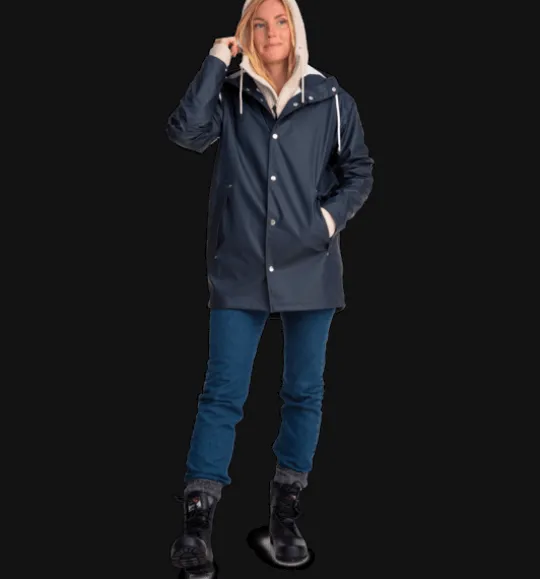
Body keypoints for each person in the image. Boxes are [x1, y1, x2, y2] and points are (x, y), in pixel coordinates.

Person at [166, 0, 374, 574]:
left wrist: (325, 222)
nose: (271, 31)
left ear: (296, 27)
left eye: (280, 20)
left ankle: (286, 512)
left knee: (304, 392)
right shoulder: (231, 94)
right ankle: (198, 523)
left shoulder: (332, 99)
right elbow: (186, 132)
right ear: (247, 33)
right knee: (222, 393)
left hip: (310, 266)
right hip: (239, 265)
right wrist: (215, 60)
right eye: (259, 22)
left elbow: (359, 170)